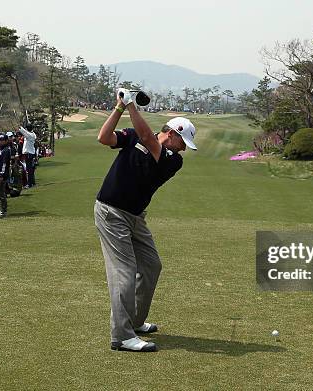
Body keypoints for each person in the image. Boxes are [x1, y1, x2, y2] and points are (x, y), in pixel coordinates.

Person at [94, 88, 197, 352]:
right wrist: (119, 107)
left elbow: (148, 139)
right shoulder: (132, 137)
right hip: (111, 212)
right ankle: (122, 336)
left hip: (136, 217)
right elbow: (103, 138)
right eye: (183, 142)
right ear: (172, 133)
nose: (184, 148)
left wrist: (130, 105)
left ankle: (134, 322)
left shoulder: (173, 160)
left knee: (151, 265)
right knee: (124, 272)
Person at [0, 133, 11, 218]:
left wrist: (1, 174)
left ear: (5, 141)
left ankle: (3, 210)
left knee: (1, 192)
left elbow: (4, 164)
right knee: (0, 192)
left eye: (2, 140)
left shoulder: (6, 150)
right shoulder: (1, 149)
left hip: (2, 175)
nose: (0, 142)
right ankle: (2, 209)